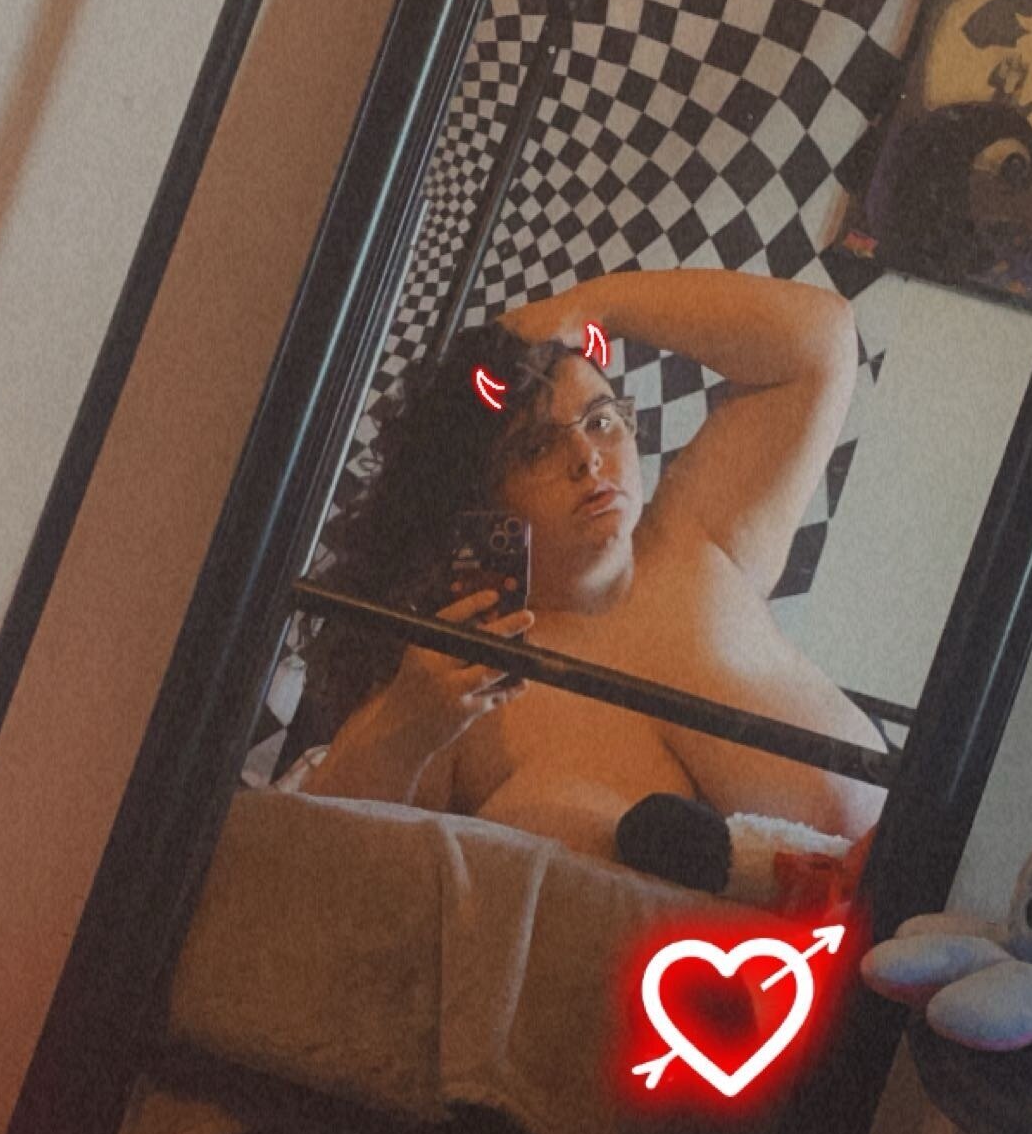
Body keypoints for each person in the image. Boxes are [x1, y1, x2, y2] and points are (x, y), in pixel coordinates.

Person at [297, 268, 887, 859]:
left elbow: (822, 337)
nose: (586, 456)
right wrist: (405, 725)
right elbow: (309, 854)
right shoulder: (457, 678)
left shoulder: (701, 536)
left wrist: (598, 305)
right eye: (536, 447)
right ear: (477, 500)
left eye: (601, 420)